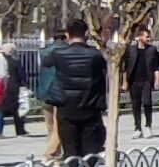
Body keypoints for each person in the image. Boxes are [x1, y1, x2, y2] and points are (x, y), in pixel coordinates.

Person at [41, 19, 108, 158]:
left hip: (66, 108)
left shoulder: (58, 54)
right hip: (90, 106)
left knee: (70, 150)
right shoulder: (94, 55)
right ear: (86, 34)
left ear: (67, 34)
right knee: (90, 151)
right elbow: (103, 70)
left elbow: (45, 61)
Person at [124, 28, 159, 137]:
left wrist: (157, 80)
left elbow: (156, 67)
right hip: (134, 81)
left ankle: (148, 125)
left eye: (149, 36)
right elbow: (125, 68)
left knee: (147, 103)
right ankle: (137, 128)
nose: (148, 38)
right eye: (146, 36)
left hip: (147, 81)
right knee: (135, 105)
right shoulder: (131, 50)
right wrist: (124, 82)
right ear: (140, 37)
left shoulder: (152, 50)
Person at [0, 41, 23, 137]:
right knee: (1, 109)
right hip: (4, 86)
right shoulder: (7, 60)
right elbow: (5, 75)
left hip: (1, 85)